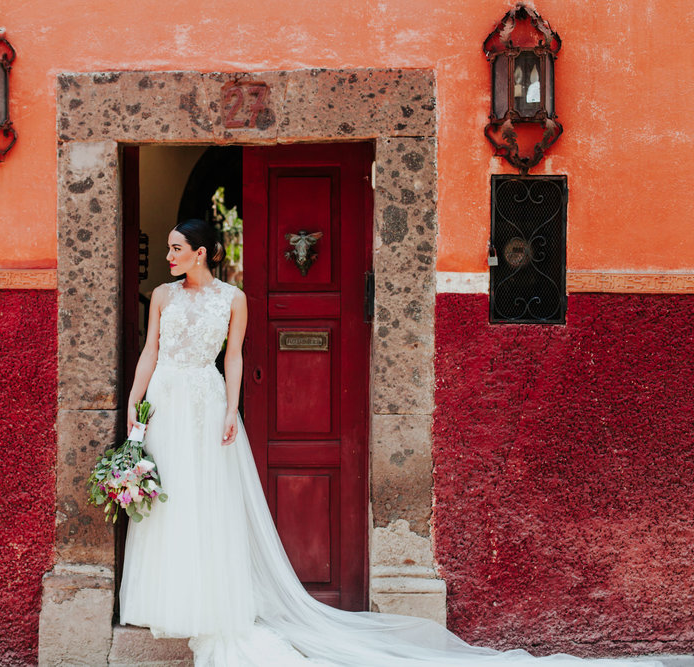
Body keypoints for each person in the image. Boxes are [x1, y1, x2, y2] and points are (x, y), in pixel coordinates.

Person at [117, 218, 660, 667]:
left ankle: (210, 602)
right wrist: (134, 407)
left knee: (208, 501)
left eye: (177, 248)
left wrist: (232, 407)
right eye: (168, 249)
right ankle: (172, 601)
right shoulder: (162, 296)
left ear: (203, 252)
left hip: (207, 403)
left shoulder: (233, 299)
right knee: (170, 499)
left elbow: (234, 356)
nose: (169, 256)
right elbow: (148, 353)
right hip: (166, 400)